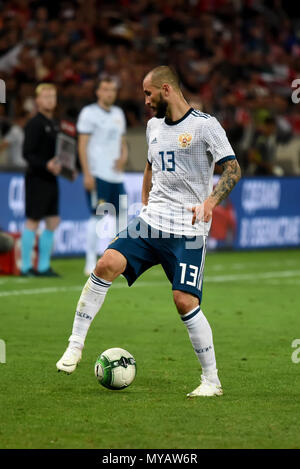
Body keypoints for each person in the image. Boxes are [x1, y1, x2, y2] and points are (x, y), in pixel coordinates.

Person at [56, 66, 241, 397]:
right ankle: (75, 345)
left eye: (148, 93)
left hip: (188, 229)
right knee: (105, 264)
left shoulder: (205, 126)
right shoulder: (154, 126)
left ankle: (211, 380)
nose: (145, 100)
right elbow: (150, 165)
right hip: (151, 222)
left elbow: (232, 169)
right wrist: (144, 202)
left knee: (184, 300)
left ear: (166, 90)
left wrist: (211, 202)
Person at [76, 77, 128, 275]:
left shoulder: (118, 113)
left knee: (121, 217)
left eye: (112, 90)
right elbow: (82, 145)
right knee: (96, 216)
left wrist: (123, 157)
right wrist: (87, 173)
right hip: (98, 173)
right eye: (105, 89)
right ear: (97, 92)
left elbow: (122, 142)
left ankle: (115, 260)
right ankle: (90, 261)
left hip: (117, 176)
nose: (109, 93)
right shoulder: (89, 113)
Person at [20, 83, 61, 276]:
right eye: (45, 96)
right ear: (37, 100)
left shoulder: (54, 124)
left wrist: (67, 168)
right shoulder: (34, 123)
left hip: (51, 179)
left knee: (53, 220)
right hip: (37, 178)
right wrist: (46, 165)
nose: (50, 100)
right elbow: (27, 154)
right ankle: (25, 266)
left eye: (52, 96)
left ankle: (43, 266)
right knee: (33, 220)